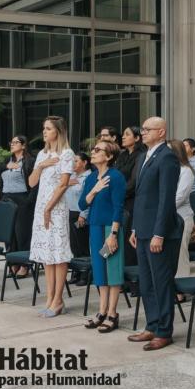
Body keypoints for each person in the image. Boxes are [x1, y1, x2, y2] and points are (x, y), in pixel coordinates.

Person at [127, 117, 183, 351]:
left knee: (161, 282)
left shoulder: (167, 157)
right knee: (146, 282)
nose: (143, 132)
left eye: (148, 129)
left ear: (161, 132)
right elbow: (141, 198)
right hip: (142, 229)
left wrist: (159, 233)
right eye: (142, 129)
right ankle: (151, 324)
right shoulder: (143, 156)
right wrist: (135, 228)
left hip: (160, 231)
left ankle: (164, 331)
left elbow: (165, 199)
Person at [28, 116, 75, 318]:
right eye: (43, 128)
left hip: (56, 208)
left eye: (48, 128)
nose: (44, 132)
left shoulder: (67, 153)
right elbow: (31, 183)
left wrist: (49, 208)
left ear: (58, 131)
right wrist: (41, 165)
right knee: (47, 256)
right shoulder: (42, 154)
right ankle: (49, 298)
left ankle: (58, 300)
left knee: (59, 254)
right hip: (41, 208)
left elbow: (64, 184)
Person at [79, 140, 126, 333]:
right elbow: (83, 204)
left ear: (109, 156)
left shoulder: (116, 177)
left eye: (98, 150)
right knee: (100, 270)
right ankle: (101, 311)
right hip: (95, 227)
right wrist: (95, 189)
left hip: (109, 229)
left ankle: (112, 314)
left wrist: (113, 234)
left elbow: (118, 208)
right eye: (93, 149)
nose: (93, 152)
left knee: (112, 270)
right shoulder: (91, 178)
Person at [0, 135, 36, 277]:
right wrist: (6, 166)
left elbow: (35, 184)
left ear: (23, 145)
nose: (12, 144)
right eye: (11, 142)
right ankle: (13, 262)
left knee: (22, 232)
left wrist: (29, 200)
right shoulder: (7, 160)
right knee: (9, 234)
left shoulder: (29, 161)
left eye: (16, 142)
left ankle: (24, 264)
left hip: (22, 198)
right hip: (6, 198)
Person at [115, 126, 145, 267]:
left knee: (129, 239)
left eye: (127, 134)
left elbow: (134, 182)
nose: (123, 137)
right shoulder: (122, 155)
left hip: (132, 201)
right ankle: (121, 276)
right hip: (120, 200)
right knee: (119, 237)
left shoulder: (141, 155)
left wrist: (117, 194)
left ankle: (132, 279)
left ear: (137, 138)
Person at [167, 139, 195, 286]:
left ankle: (182, 287)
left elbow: (180, 196)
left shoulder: (186, 170)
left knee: (181, 254)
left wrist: (162, 208)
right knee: (171, 255)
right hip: (168, 216)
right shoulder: (168, 169)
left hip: (182, 217)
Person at [65, 152, 91, 286]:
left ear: (84, 162)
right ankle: (76, 272)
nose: (73, 163)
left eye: (76, 161)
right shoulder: (72, 176)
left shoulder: (88, 177)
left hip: (80, 213)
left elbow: (87, 197)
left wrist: (84, 214)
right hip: (70, 213)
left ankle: (85, 274)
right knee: (74, 246)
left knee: (82, 245)